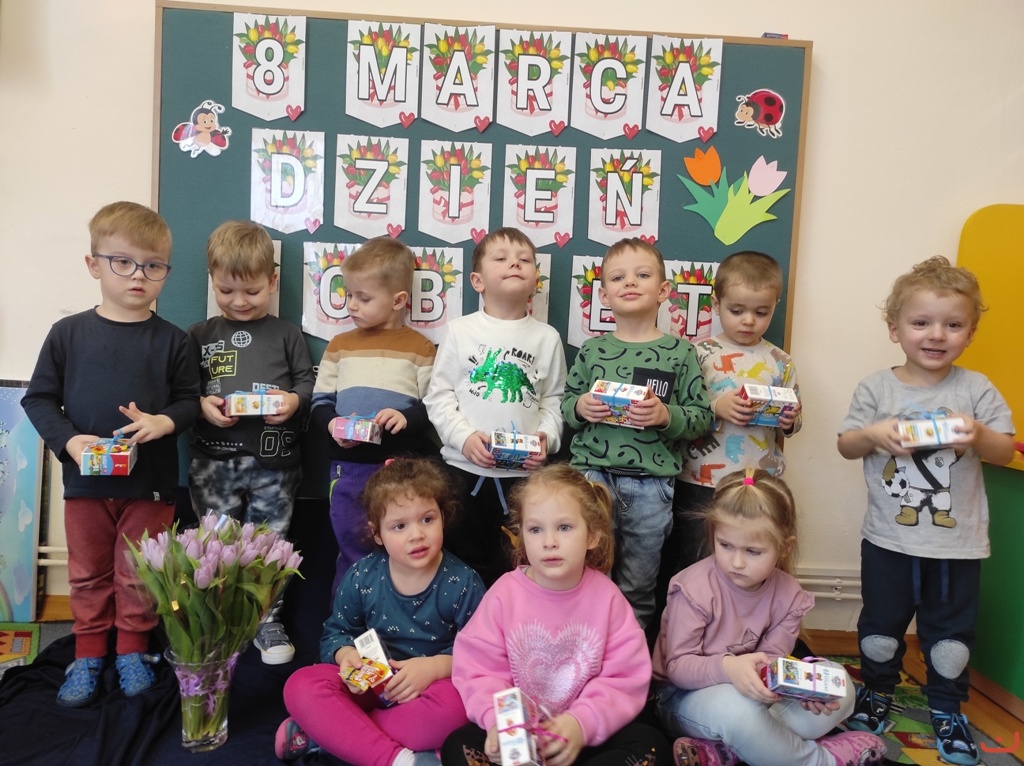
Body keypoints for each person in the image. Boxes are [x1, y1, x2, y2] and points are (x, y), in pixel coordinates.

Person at [837, 255, 1015, 766]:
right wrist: (874, 434)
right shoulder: (876, 388)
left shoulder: (975, 389)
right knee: (880, 628)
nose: (936, 334)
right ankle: (877, 691)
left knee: (950, 638)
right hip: (888, 539)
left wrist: (977, 434)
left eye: (953, 325)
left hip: (957, 545)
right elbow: (846, 445)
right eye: (921, 322)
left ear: (970, 333)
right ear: (894, 329)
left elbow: (1005, 450)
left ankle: (946, 708)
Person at [22, 201, 200, 706]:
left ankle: (132, 651)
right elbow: (38, 399)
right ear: (93, 264)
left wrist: (164, 421)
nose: (138, 275)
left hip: (151, 486)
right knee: (87, 573)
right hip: (85, 486)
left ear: (166, 272)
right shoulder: (67, 334)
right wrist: (70, 441)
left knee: (139, 573)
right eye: (123, 262)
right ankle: (87, 653)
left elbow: (190, 401)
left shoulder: (174, 341)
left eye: (153, 265)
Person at [653, 469, 887, 766]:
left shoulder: (789, 594)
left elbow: (773, 661)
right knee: (738, 712)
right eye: (725, 545)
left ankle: (730, 751)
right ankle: (822, 760)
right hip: (683, 698)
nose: (736, 562)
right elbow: (677, 668)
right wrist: (729, 668)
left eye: (753, 551)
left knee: (839, 685)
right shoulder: (692, 589)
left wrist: (799, 689)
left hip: (757, 698)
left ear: (784, 547)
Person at [442, 464, 670, 766]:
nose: (549, 541)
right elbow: (480, 670)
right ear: (522, 537)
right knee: (458, 746)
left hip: (584, 737)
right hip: (521, 740)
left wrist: (581, 723)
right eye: (536, 529)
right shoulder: (504, 594)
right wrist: (499, 725)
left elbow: (624, 678)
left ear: (592, 536)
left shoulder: (608, 599)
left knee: (652, 746)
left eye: (564, 527)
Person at [275, 458, 486, 765]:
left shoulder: (464, 582)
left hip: (428, 691)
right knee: (301, 685)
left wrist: (434, 668)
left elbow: (482, 654)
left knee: (459, 709)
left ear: (443, 517)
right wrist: (346, 655)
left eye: (427, 519)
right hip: (370, 686)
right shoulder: (362, 576)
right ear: (377, 534)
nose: (417, 535)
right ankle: (396, 758)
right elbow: (336, 633)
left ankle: (327, 735)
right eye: (399, 526)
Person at [560, 237, 712, 629]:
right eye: (617, 277)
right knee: (587, 576)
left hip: (652, 486)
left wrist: (665, 415)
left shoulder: (681, 353)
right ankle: (586, 651)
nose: (629, 282)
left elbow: (701, 417)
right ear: (604, 295)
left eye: (642, 275)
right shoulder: (592, 350)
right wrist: (580, 407)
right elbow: (566, 405)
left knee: (638, 586)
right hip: (592, 478)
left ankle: (631, 660)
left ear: (663, 291)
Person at [186, 220, 315, 664]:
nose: (239, 301)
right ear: (212, 281)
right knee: (214, 545)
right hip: (213, 463)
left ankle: (266, 619)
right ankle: (218, 618)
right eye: (226, 291)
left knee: (270, 544)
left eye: (252, 291)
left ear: (272, 282)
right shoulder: (198, 335)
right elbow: (182, 392)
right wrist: (200, 404)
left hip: (276, 466)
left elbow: (306, 383)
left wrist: (293, 401)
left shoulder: (287, 334)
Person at [425, 227, 566, 586]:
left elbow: (554, 400)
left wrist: (546, 439)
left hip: (524, 480)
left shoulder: (547, 338)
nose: (514, 264)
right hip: (462, 473)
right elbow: (438, 396)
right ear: (477, 280)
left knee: (519, 567)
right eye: (501, 258)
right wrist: (463, 437)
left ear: (535, 279)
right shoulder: (458, 331)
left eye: (524, 259)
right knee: (458, 566)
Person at [310, 237, 437, 591]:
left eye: (363, 298)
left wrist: (406, 418)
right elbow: (319, 402)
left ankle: (395, 613)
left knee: (402, 550)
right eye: (349, 294)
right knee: (351, 547)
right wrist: (333, 424)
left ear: (398, 300)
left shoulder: (421, 348)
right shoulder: (340, 346)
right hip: (347, 467)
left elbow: (434, 406)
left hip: (399, 469)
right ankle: (347, 616)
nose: (351, 305)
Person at [672, 251, 802, 579]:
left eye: (761, 312)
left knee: (749, 562)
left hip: (758, 481)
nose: (748, 321)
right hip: (700, 480)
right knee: (693, 559)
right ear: (716, 304)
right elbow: (682, 411)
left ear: (775, 306)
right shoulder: (698, 354)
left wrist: (790, 421)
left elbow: (794, 415)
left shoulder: (780, 360)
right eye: (737, 310)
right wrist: (717, 407)